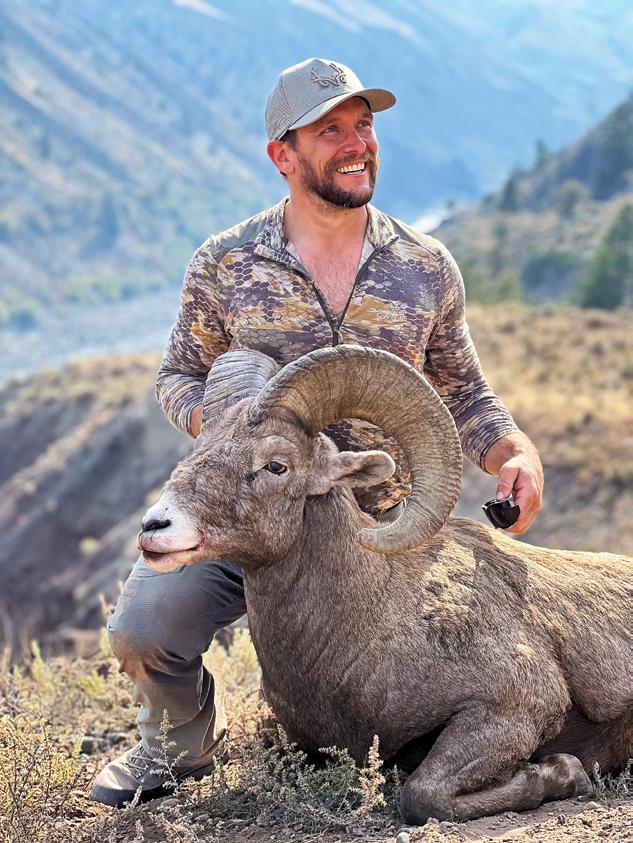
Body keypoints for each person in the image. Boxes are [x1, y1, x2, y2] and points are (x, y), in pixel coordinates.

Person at [90, 58, 543, 807]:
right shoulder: (227, 262)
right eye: (330, 131)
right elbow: (179, 375)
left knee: (452, 674)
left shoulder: (423, 266)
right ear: (283, 154)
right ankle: (177, 746)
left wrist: (513, 453)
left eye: (363, 125)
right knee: (144, 627)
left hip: (379, 530)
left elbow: (464, 392)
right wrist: (233, 435)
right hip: (253, 506)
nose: (356, 143)